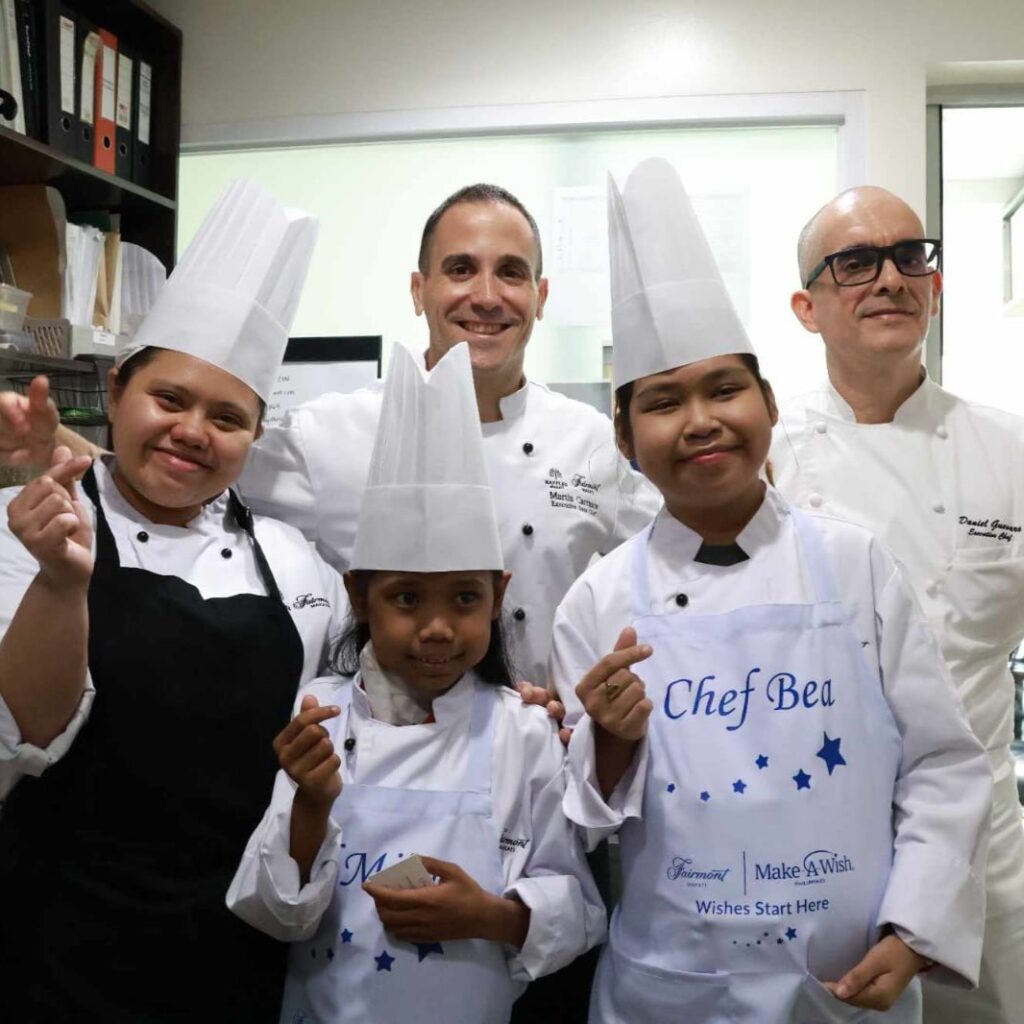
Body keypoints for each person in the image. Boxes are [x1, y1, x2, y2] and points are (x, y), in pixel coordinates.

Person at [550, 159, 992, 1023]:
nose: (702, 419)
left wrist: (915, 931)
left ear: (770, 404)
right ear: (627, 440)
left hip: (850, 981)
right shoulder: (597, 600)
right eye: (665, 401)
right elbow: (586, 823)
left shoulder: (855, 564)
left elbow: (943, 764)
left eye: (725, 389)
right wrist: (606, 742)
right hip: (670, 987)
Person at [0, 183, 661, 692]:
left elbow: (674, 548)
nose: (485, 295)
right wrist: (57, 439)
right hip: (369, 761)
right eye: (460, 269)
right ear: (418, 289)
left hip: (539, 754)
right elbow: (184, 464)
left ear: (540, 295)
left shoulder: (590, 444)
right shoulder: (327, 435)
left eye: (511, 273)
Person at [0, 181, 347, 1023]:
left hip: (231, 958)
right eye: (170, 399)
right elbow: (24, 742)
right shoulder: (28, 526)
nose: (194, 430)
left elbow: (340, 729)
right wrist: (59, 582)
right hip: (49, 948)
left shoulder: (302, 573)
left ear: (256, 436)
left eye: (228, 417)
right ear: (116, 390)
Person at [227, 341, 605, 1023]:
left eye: (464, 599)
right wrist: (311, 805)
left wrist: (492, 917)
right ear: (360, 597)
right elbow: (274, 913)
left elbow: (579, 910)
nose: (437, 629)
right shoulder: (321, 714)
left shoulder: (522, 731)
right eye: (406, 600)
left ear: (498, 597)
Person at [772, 185, 1024, 1024]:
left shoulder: (1010, 454)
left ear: (936, 286)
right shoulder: (759, 460)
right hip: (811, 841)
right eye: (856, 263)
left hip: (984, 863)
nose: (890, 278)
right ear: (808, 308)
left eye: (910, 257)